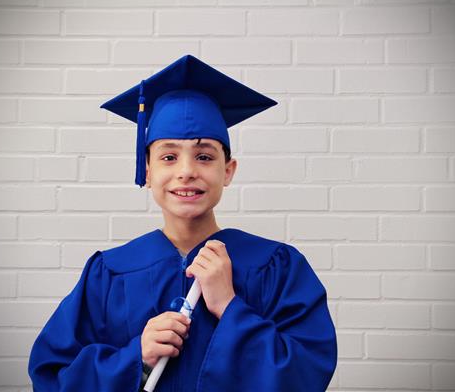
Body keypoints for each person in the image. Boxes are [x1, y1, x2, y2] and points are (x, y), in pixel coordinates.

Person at [28, 55, 337, 391]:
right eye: (168, 156)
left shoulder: (277, 266)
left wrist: (230, 308)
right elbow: (52, 375)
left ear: (228, 171)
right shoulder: (109, 272)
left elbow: (308, 374)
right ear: (147, 171)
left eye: (204, 156)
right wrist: (136, 358)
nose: (187, 170)